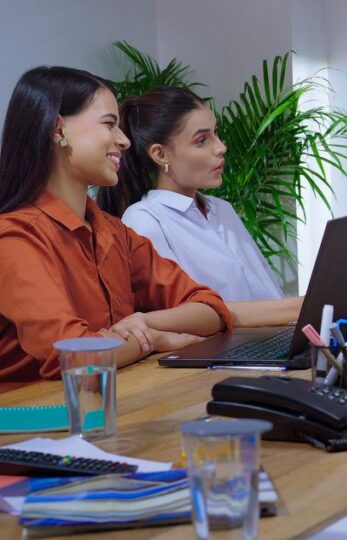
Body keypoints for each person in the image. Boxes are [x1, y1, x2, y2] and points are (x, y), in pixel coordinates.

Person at [0, 67, 232, 390]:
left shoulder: (114, 232)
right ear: (58, 129)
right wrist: (152, 339)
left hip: (107, 408)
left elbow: (212, 308)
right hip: (31, 426)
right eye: (109, 124)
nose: (124, 141)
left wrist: (142, 324)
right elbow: (76, 355)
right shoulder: (14, 239)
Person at [96, 86, 301, 327]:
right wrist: (298, 307)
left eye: (216, 134)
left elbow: (264, 291)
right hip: (216, 357)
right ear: (161, 154)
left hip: (271, 340)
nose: (221, 147)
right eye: (202, 140)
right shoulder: (145, 219)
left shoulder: (221, 209)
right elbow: (188, 315)